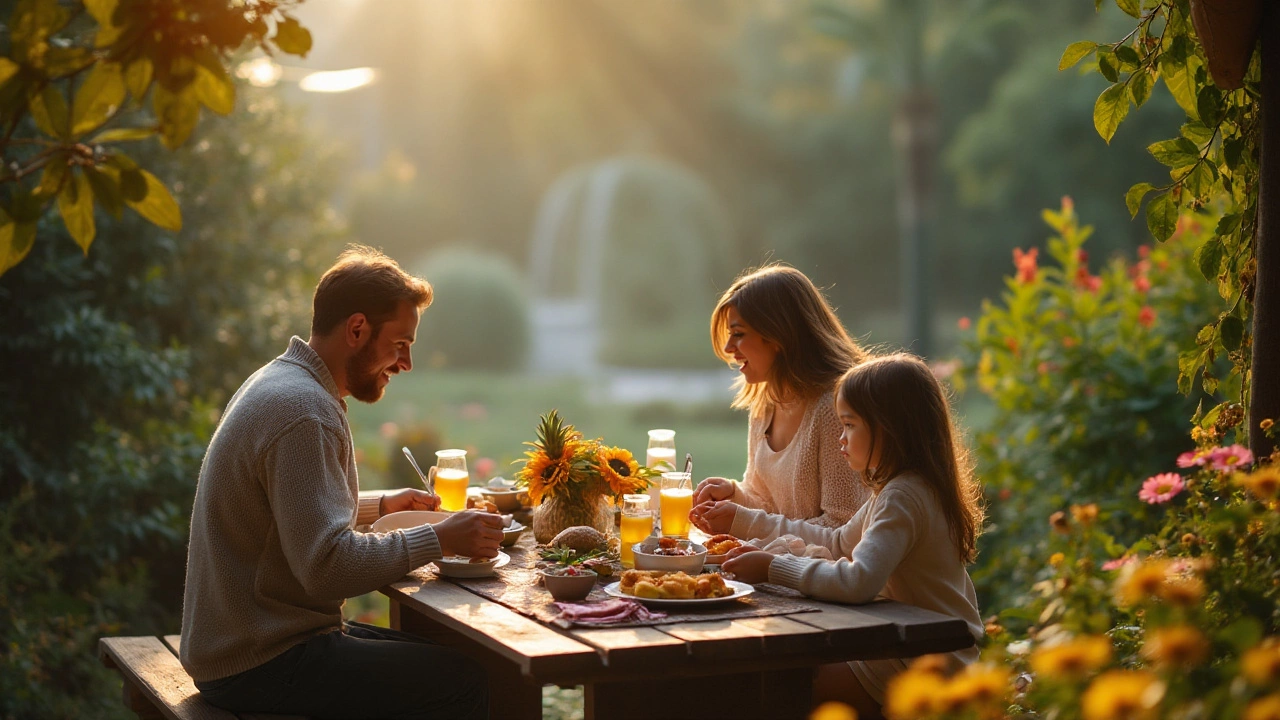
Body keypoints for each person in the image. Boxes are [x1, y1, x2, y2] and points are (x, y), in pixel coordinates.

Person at [179, 246, 503, 719]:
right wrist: (439, 537)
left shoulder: (281, 380)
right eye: (400, 343)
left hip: (237, 646)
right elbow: (327, 567)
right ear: (357, 329)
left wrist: (381, 507)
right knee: (462, 680)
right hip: (261, 662)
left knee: (448, 658)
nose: (406, 363)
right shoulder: (304, 412)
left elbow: (288, 511)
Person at [691, 353, 985, 720]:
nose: (840, 438)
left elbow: (858, 581)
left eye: (848, 425)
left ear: (889, 428)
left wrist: (772, 567)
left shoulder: (903, 497)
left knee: (785, 690)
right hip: (904, 641)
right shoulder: (897, 489)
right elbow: (837, 543)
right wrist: (743, 520)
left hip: (928, 659)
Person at [693, 264, 869, 527]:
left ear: (778, 336)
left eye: (738, 334)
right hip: (785, 563)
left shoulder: (832, 408)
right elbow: (769, 507)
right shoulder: (765, 403)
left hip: (825, 567)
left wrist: (747, 524)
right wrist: (735, 494)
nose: (729, 348)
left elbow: (841, 526)